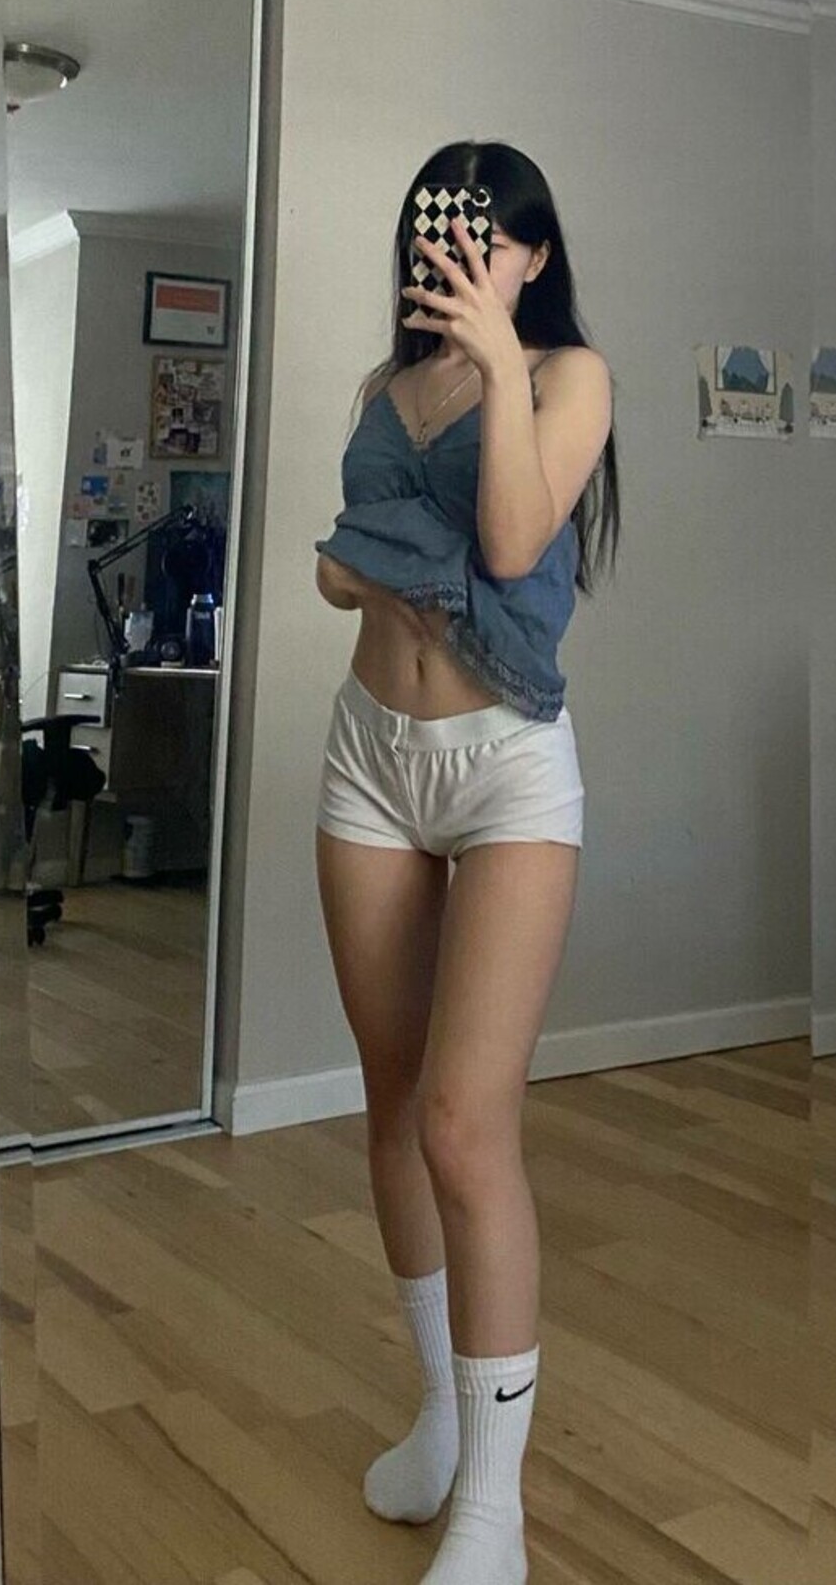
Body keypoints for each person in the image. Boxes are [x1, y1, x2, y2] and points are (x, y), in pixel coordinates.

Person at [312, 140, 619, 1585]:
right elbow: (336, 564)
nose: (463, 251)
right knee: (391, 1102)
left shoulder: (569, 379)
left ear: (533, 256)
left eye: (492, 235)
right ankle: (441, 1414)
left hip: (505, 766)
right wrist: (367, 562)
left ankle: (495, 1511)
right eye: (445, 227)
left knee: (463, 1124)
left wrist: (498, 360)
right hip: (371, 753)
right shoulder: (385, 386)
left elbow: (504, 542)